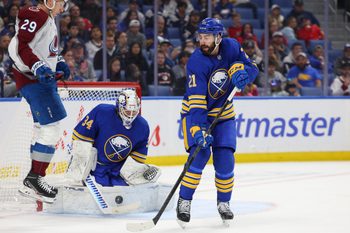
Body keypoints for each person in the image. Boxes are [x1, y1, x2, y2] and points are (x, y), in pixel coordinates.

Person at [176, 18, 258, 226]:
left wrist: (243, 75)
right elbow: (197, 102)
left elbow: (253, 68)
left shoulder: (231, 46)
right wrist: (198, 128)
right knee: (199, 156)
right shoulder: (196, 62)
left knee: (225, 159)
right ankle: (184, 201)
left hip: (224, 115)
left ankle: (224, 203)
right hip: (196, 113)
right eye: (200, 37)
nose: (202, 41)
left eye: (207, 37)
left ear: (219, 37)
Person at [8, 0, 70, 203]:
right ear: (50, 1)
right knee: (51, 128)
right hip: (35, 82)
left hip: (37, 80)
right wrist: (37, 66)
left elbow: (44, 48)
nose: (64, 7)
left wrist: (57, 61)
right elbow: (19, 46)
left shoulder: (47, 18)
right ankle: (34, 179)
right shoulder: (38, 15)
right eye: (62, 2)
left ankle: (34, 179)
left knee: (40, 127)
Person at [67, 89, 160, 187]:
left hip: (116, 172)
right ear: (119, 107)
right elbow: (81, 139)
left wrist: (138, 172)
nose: (131, 115)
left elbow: (137, 158)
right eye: (127, 111)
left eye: (134, 111)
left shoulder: (143, 126)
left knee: (127, 196)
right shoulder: (101, 112)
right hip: (93, 169)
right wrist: (81, 169)